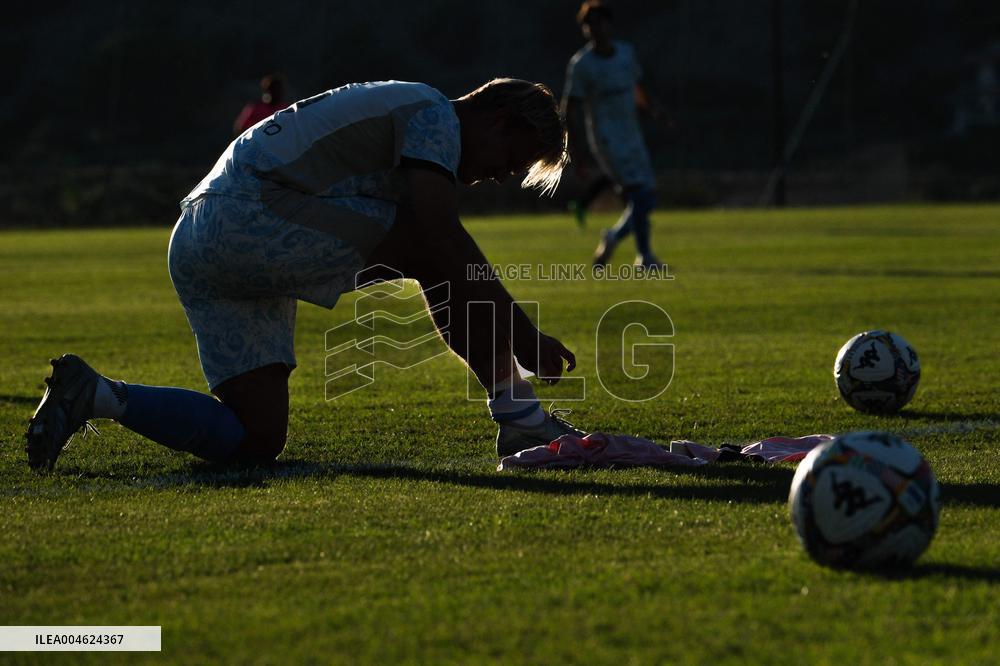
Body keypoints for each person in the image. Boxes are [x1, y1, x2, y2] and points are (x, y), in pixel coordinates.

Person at [25, 78, 584, 471]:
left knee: (255, 438)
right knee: (433, 248)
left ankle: (97, 395)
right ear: (499, 120)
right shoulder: (435, 114)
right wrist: (523, 333)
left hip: (198, 239)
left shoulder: (415, 111)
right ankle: (521, 416)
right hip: (248, 217)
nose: (501, 177)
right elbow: (440, 238)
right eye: (512, 159)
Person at [562, 1, 666, 268]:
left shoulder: (626, 54)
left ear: (610, 25)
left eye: (599, 22)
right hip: (607, 140)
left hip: (632, 135)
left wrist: (652, 111)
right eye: (589, 24)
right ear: (584, 30)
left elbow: (637, 88)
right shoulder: (582, 65)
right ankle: (644, 256)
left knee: (648, 197)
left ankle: (614, 236)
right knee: (639, 195)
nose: (595, 28)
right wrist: (575, 150)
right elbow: (570, 109)